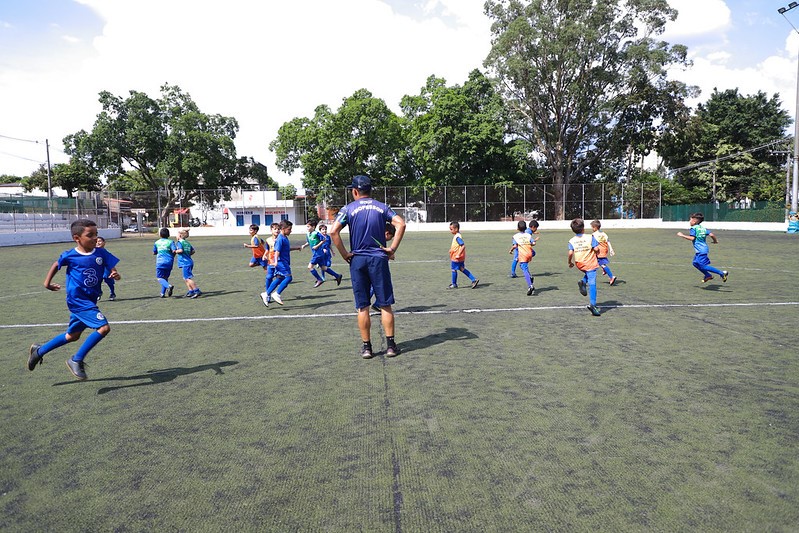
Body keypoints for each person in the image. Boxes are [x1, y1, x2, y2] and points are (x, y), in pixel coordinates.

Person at [27, 220, 121, 380]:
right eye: (90, 235)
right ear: (77, 238)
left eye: (96, 234)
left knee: (72, 336)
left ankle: (39, 351)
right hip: (78, 300)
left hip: (91, 300)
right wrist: (47, 283)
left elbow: (112, 268)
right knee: (104, 328)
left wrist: (115, 274)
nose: (95, 238)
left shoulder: (101, 253)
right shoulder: (71, 255)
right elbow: (56, 264)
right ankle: (76, 359)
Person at [330, 174, 406, 359]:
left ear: (355, 191)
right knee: (385, 304)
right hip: (378, 259)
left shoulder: (348, 208)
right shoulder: (382, 207)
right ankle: (390, 346)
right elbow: (401, 223)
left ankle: (367, 348)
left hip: (358, 260)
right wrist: (392, 248)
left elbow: (333, 231)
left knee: (362, 306)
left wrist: (345, 254)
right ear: (371, 190)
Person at [677, 212, 728, 283]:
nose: (689, 221)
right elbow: (711, 234)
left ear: (694, 221)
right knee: (695, 263)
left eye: (690, 220)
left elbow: (692, 238)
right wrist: (715, 241)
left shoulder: (693, 228)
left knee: (703, 266)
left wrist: (682, 235)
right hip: (702, 250)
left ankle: (722, 273)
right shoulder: (703, 228)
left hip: (701, 251)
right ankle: (707, 275)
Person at [567, 217, 602, 316]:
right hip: (589, 262)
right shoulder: (590, 237)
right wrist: (597, 250)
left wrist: (569, 262)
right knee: (592, 283)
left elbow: (570, 253)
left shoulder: (571, 240)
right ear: (583, 228)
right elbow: (596, 249)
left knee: (588, 273)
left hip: (579, 263)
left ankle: (583, 282)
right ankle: (593, 305)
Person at [264, 220, 302, 305]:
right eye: (289, 229)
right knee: (289, 278)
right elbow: (277, 251)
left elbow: (285, 249)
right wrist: (276, 261)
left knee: (280, 278)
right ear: (283, 229)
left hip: (284, 261)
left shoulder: (285, 237)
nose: (290, 231)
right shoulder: (280, 238)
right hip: (281, 262)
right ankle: (276, 294)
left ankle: (266, 294)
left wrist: (296, 248)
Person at [447, 221, 479, 289]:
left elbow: (463, 246)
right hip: (461, 257)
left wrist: (458, 254)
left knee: (453, 269)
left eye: (451, 229)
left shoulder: (457, 237)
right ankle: (474, 280)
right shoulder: (457, 235)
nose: (450, 231)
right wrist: (451, 250)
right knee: (462, 269)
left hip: (456, 258)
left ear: (456, 229)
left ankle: (454, 284)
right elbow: (457, 246)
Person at [509, 220, 535, 295]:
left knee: (524, 269)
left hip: (523, 254)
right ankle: (530, 277)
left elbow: (515, 246)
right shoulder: (528, 235)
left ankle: (530, 286)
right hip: (529, 253)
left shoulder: (515, 236)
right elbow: (533, 243)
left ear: (517, 228)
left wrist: (511, 250)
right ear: (526, 228)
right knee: (523, 266)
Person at [176, 229, 201, 298]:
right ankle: (191, 291)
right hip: (189, 261)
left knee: (187, 278)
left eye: (177, 234)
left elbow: (180, 250)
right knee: (185, 278)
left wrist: (175, 251)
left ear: (180, 235)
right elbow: (193, 251)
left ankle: (196, 290)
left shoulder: (179, 242)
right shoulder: (187, 243)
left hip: (185, 262)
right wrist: (187, 254)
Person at [590, 219, 617, 285]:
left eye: (592, 227)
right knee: (598, 262)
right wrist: (611, 249)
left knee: (602, 264)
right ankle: (605, 270)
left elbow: (593, 244)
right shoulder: (603, 233)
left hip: (599, 251)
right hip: (604, 250)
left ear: (595, 228)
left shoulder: (593, 235)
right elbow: (608, 241)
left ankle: (611, 276)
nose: (592, 228)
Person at [153, 227, 177, 297]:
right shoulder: (171, 242)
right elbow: (174, 251)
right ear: (168, 235)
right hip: (169, 262)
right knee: (165, 278)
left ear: (160, 235)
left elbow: (154, 252)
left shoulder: (157, 242)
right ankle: (162, 293)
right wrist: (172, 256)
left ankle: (169, 286)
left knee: (159, 278)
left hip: (160, 262)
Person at [260, 223, 280, 306]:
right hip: (270, 261)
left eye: (278, 229)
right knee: (269, 277)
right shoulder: (268, 240)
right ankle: (267, 295)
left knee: (279, 277)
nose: (277, 230)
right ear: (271, 230)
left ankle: (271, 293)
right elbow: (267, 249)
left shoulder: (281, 239)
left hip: (279, 262)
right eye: (275, 229)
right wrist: (265, 255)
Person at [95, 236, 117, 301]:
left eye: (99, 241)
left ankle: (112, 293)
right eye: (96, 241)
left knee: (107, 279)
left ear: (104, 243)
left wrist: (113, 270)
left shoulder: (106, 253)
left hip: (106, 268)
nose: (98, 243)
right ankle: (99, 292)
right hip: (98, 268)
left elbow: (111, 262)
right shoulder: (93, 252)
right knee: (97, 280)